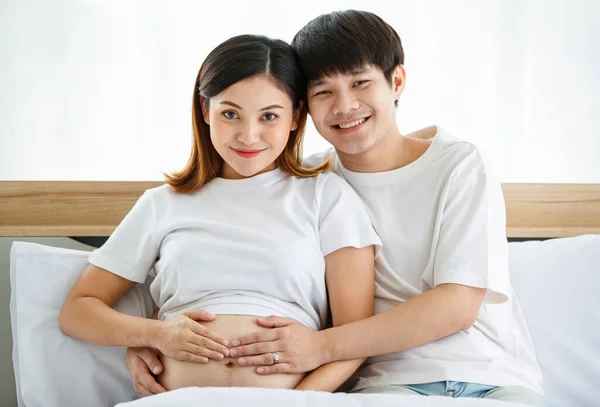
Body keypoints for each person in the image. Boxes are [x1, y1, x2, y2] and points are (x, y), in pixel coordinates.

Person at [126, 10, 545, 406]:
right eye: (323, 91)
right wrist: (146, 341)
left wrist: (318, 347)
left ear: (396, 81)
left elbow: (455, 304)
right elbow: (210, 263)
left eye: (361, 83)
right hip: (386, 384)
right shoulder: (305, 185)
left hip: (493, 378)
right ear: (302, 108)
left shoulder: (458, 164)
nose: (344, 106)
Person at [59, 34, 381, 396]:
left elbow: (356, 337)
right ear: (204, 110)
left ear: (295, 117)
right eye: (230, 114)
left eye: (269, 116)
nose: (248, 135)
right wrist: (155, 334)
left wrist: (297, 402)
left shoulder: (326, 196)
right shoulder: (162, 204)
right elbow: (78, 311)